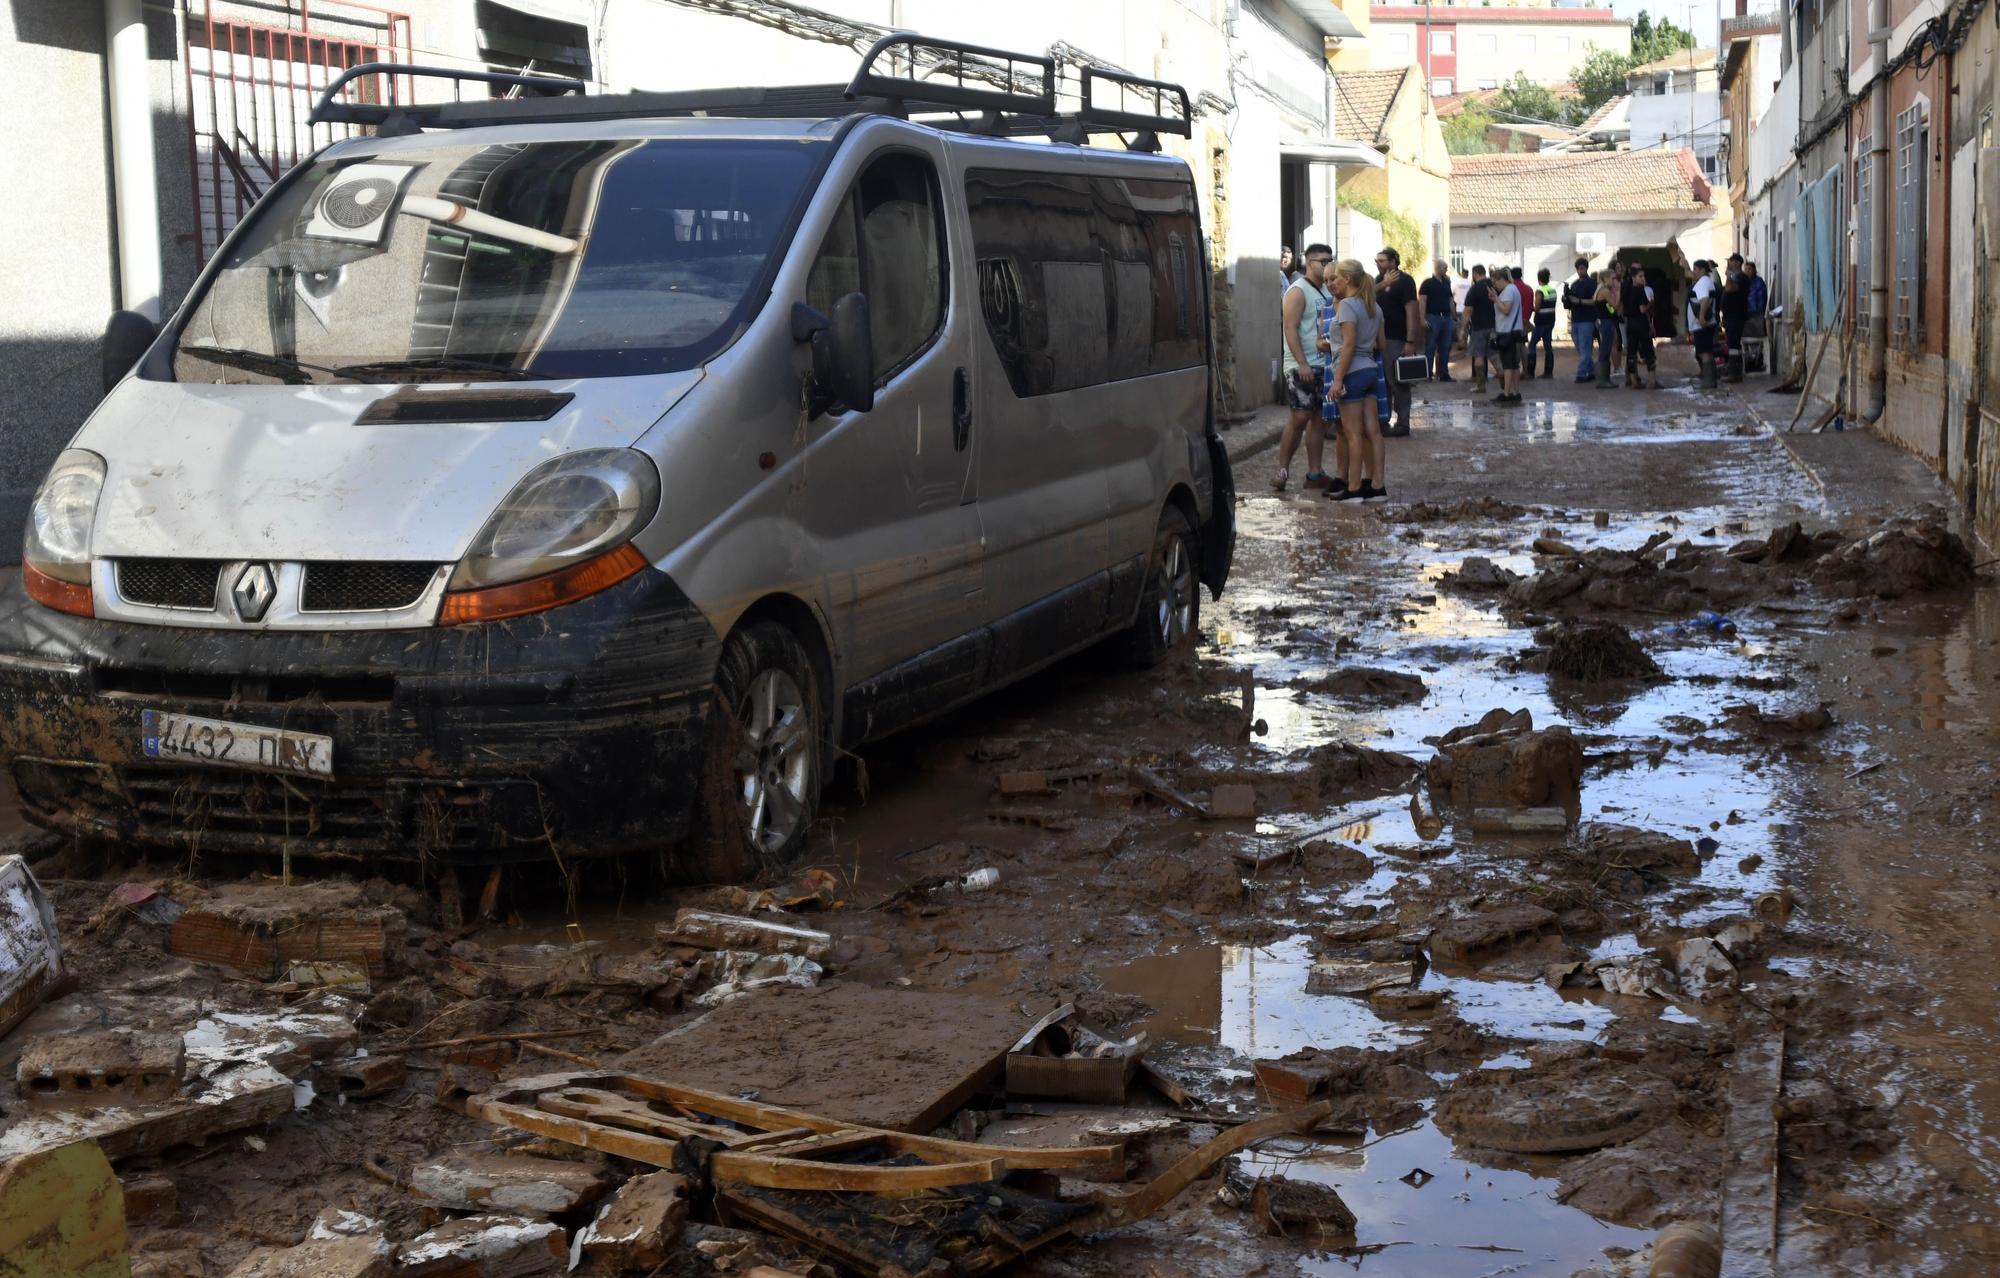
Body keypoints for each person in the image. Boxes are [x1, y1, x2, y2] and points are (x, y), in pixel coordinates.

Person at [1321, 259, 1388, 501]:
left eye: (1336, 277)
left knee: (1353, 433)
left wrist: (1338, 380)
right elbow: (1382, 344)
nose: (1333, 281)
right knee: (1374, 431)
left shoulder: (1348, 306)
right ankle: (1378, 486)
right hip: (1370, 369)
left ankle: (1353, 488)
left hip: (1352, 372)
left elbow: (1348, 344)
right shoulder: (1374, 307)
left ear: (1348, 279)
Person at [1272, 245, 1336, 491]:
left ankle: (1314, 472)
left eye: (1331, 260)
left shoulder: (1326, 289)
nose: (1328, 264)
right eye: (1324, 261)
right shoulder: (1297, 291)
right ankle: (1282, 471)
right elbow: (1290, 328)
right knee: (1299, 417)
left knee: (1319, 420)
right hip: (1303, 365)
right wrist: (1302, 363)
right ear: (1310, 263)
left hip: (1323, 365)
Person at [1374, 248, 1420, 437]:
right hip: (1379, 339)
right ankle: (1383, 421)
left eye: (1382, 260)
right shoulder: (1377, 281)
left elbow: (1411, 311)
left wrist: (1410, 341)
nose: (1377, 263)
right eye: (1376, 260)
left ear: (1393, 262)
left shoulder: (1406, 281)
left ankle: (1403, 423)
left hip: (1397, 339)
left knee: (1398, 381)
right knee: (1382, 382)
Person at [1621, 261, 1659, 389]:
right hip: (1641, 323)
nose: (1643, 279)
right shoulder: (1640, 290)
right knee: (1649, 352)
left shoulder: (1625, 288)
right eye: (1640, 277)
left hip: (1630, 323)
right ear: (1633, 277)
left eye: (1643, 276)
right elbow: (1642, 309)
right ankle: (1652, 381)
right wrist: (1650, 304)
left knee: (1631, 352)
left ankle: (1633, 381)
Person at [1489, 268, 1524, 404]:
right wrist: (1496, 298)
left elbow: (1506, 310)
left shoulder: (1509, 290)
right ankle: (1516, 393)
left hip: (1507, 332)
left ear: (1501, 279)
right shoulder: (1513, 289)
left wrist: (1496, 299)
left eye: (1495, 282)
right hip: (1513, 331)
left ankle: (1506, 394)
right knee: (1514, 365)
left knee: (1508, 365)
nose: (1495, 285)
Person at [1461, 264, 1496, 393]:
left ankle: (1481, 385)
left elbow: (1468, 310)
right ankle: (1504, 378)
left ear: (1475, 273)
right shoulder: (1493, 286)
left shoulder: (1474, 289)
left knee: (1479, 355)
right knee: (1495, 355)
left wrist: (1462, 329)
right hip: (1494, 327)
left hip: (1478, 328)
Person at [1419, 260, 1456, 382]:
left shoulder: (1446, 283)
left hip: (1446, 317)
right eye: (1444, 267)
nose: (1446, 270)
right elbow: (1422, 301)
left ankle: (1444, 374)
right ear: (1437, 268)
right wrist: (1422, 318)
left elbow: (1450, 300)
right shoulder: (1427, 283)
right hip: (1433, 317)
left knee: (1445, 346)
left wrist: (1454, 316)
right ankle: (1427, 373)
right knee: (1430, 346)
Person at [1563, 257, 1599, 382]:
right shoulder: (1574, 284)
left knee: (1584, 348)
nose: (1580, 271)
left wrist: (1578, 301)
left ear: (1586, 268)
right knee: (1581, 348)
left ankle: (1581, 374)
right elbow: (1570, 303)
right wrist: (1567, 299)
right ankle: (1592, 371)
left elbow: (1595, 302)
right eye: (1578, 269)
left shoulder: (1592, 284)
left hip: (1587, 320)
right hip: (1576, 319)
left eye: (1582, 268)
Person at [1688, 259, 1720, 388]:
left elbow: (1704, 299)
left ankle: (1709, 380)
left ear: (1702, 270)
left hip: (1702, 324)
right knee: (1706, 351)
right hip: (1705, 323)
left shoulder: (1702, 283)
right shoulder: (1707, 282)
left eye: (1695, 269)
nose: (1693, 272)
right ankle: (1710, 379)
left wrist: (1701, 317)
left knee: (1704, 352)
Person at [1721, 252, 1750, 383]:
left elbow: (1730, 289)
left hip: (1736, 316)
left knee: (1733, 344)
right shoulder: (1734, 276)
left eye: (1731, 261)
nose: (1729, 263)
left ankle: (1734, 373)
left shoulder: (1741, 278)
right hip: (1730, 316)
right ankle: (1732, 370)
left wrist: (1729, 276)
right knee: (1731, 343)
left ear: (1737, 263)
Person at [1527, 267, 1558, 379]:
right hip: (1551, 320)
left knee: (1532, 344)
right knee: (1548, 345)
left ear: (1539, 278)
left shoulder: (1539, 291)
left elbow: (1537, 307)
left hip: (1541, 321)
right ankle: (1549, 372)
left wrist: (1531, 308)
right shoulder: (1552, 290)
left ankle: (1530, 371)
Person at [1592, 269, 1621, 388]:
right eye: (1613, 278)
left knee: (1607, 347)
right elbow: (1615, 305)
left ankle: (1604, 378)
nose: (1615, 281)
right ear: (1606, 279)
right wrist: (1618, 291)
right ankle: (1602, 379)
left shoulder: (1601, 289)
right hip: (1606, 321)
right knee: (1605, 348)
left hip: (1604, 320)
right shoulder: (1604, 291)